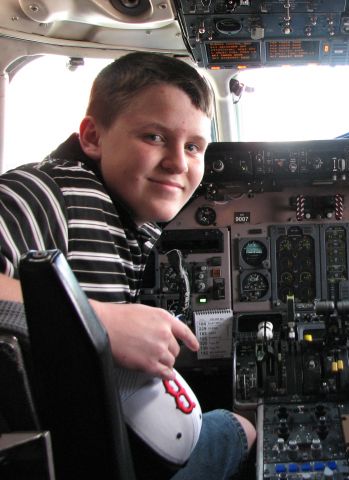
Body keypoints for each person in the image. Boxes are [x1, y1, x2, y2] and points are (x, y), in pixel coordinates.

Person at [0, 51, 255, 479]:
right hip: (63, 458)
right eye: (154, 137)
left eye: (193, 146)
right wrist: (99, 324)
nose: (178, 162)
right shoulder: (43, 193)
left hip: (86, 443)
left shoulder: (127, 220)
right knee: (242, 426)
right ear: (92, 137)